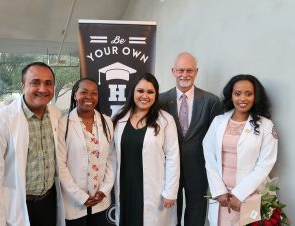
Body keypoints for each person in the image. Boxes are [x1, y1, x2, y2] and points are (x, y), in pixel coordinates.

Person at [0, 62, 65, 226]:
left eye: (48, 83)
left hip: (49, 202)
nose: (42, 88)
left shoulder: (55, 114)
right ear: (23, 86)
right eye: (35, 82)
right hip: (18, 205)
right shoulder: (1, 120)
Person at [203, 74, 278, 225]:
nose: (242, 99)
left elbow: (265, 164)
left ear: (255, 97)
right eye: (237, 93)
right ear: (231, 96)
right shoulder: (218, 122)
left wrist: (240, 193)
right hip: (221, 196)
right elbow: (209, 157)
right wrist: (218, 191)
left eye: (248, 94)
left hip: (249, 194)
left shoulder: (266, 125)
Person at [159, 52, 222, 226]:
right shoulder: (159, 101)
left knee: (197, 212)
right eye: (180, 70)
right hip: (168, 169)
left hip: (199, 168)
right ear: (173, 71)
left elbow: (217, 140)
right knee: (170, 214)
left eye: (189, 70)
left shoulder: (212, 102)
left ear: (196, 71)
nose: (184, 75)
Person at [112, 73, 180, 226]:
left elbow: (173, 157)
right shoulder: (118, 116)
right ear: (133, 92)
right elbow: (111, 155)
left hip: (154, 188)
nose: (145, 96)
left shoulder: (165, 120)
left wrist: (170, 191)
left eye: (150, 92)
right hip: (125, 185)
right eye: (140, 91)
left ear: (156, 95)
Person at [56, 78, 115, 226]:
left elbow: (111, 159)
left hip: (100, 199)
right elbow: (60, 164)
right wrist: (80, 196)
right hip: (73, 200)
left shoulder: (107, 122)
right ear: (75, 95)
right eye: (83, 92)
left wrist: (104, 190)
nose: (89, 97)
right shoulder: (64, 124)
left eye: (94, 93)